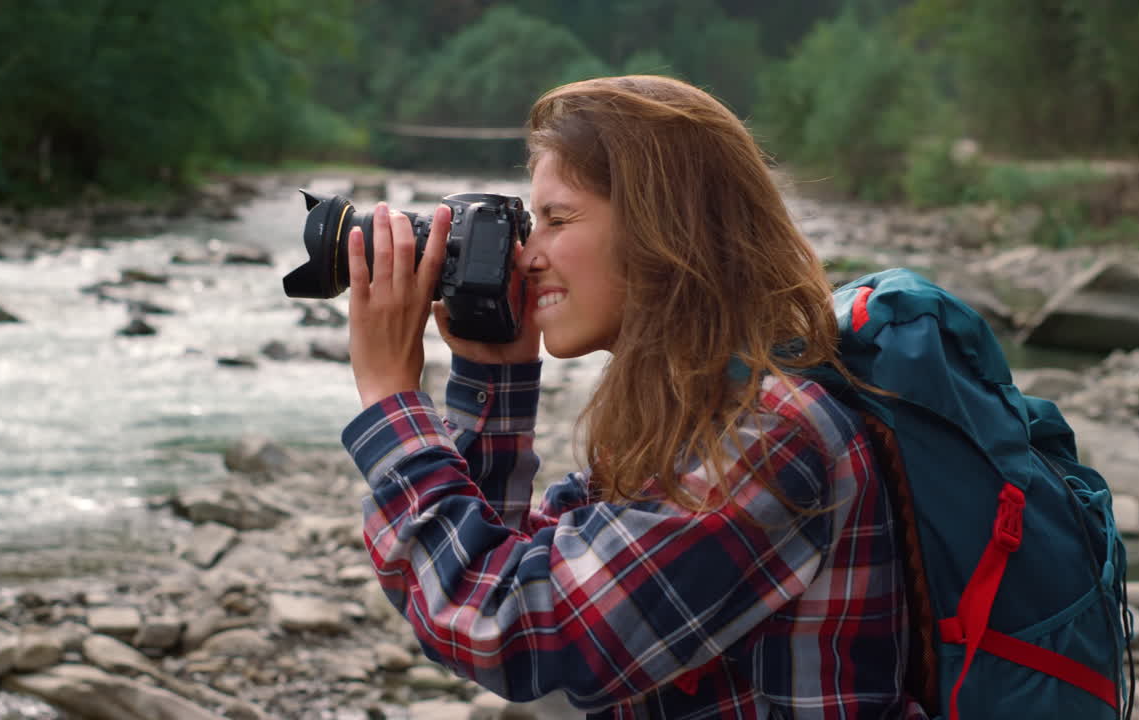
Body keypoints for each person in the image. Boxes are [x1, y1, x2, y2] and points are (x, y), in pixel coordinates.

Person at [339, 75, 928, 719]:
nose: (527, 256)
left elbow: (511, 629)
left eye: (557, 220)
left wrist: (389, 396)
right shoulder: (685, 418)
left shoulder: (770, 436)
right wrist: (493, 379)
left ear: (663, 229)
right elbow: (506, 564)